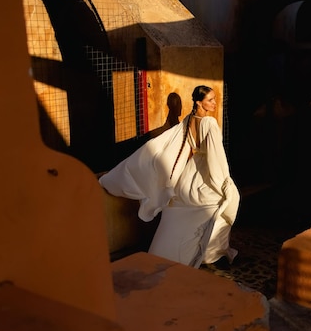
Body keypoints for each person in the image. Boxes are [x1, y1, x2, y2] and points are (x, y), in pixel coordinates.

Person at [99, 85, 240, 268]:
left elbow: (166, 147)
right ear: (199, 102)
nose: (214, 103)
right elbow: (215, 158)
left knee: (186, 216)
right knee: (223, 202)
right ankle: (211, 255)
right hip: (204, 176)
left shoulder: (188, 120)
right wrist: (223, 182)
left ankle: (174, 252)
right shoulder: (209, 123)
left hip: (187, 178)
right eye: (210, 100)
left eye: (214, 99)